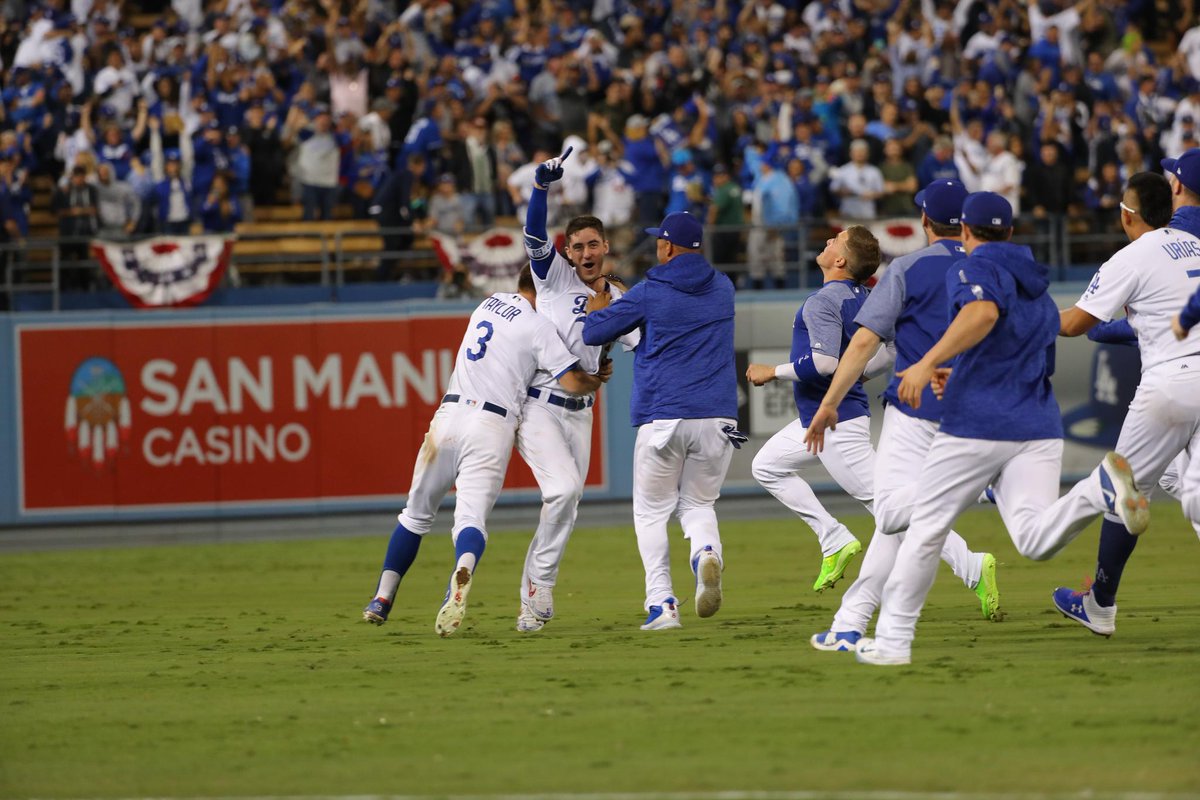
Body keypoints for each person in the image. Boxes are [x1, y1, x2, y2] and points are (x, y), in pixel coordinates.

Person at [855, 192, 1147, 666]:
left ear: (966, 233)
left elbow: (983, 313)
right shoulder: (1036, 284)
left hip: (979, 423)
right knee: (1033, 539)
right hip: (1036, 422)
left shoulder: (972, 267)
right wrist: (963, 371)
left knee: (926, 528)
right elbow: (1023, 349)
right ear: (1010, 232)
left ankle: (891, 643)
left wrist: (929, 362)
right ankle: (1098, 491)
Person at [803, 181, 1003, 653]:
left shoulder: (909, 267)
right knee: (892, 524)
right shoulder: (990, 269)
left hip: (916, 411)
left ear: (926, 222)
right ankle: (849, 623)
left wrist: (829, 402)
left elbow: (864, 342)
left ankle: (977, 489)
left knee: (893, 511)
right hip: (975, 411)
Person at [361, 267, 604, 637]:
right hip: (492, 425)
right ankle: (463, 569)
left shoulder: (487, 305)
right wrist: (597, 377)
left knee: (414, 516)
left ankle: (381, 598)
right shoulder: (540, 328)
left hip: (449, 416)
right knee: (470, 522)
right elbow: (571, 381)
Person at [1048, 153, 1200, 636]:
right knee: (1191, 491)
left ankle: (1099, 604)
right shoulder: (1194, 245)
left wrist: (1022, 318)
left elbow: (1076, 324)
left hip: (1171, 383)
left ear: (1127, 214)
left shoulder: (1132, 255)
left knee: (1123, 487)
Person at [582, 212, 741, 631]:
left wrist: (597, 308)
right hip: (719, 417)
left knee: (652, 512)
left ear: (668, 247)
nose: (656, 246)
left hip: (665, 415)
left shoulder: (650, 292)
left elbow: (594, 334)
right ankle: (706, 551)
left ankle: (662, 604)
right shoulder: (724, 287)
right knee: (699, 504)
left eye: (659, 241)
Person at [513, 147, 639, 633]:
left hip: (581, 411)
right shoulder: (552, 278)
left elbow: (640, 345)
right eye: (578, 246)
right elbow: (531, 233)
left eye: (593, 245)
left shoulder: (622, 297)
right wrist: (541, 188)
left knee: (566, 503)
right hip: (540, 405)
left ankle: (531, 596)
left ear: (606, 247)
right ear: (568, 252)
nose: (586, 253)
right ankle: (539, 587)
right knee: (562, 491)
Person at [745, 226, 889, 591]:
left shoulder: (823, 300)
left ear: (840, 260)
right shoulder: (868, 297)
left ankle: (971, 564)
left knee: (893, 511)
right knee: (766, 466)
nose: (826, 241)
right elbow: (888, 353)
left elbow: (823, 364)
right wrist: (855, 375)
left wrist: (772, 372)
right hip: (819, 419)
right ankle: (834, 538)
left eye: (835, 240)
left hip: (838, 423)